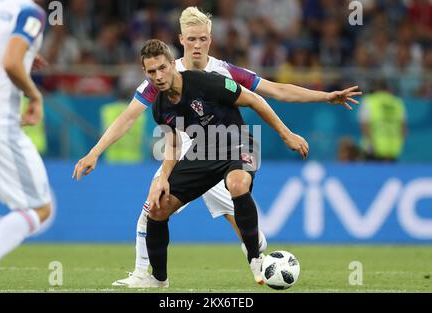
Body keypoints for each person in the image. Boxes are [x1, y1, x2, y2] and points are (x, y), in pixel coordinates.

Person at [73, 7, 361, 288]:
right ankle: (144, 275)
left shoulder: (222, 73)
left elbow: (275, 90)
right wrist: (96, 152)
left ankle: (256, 255)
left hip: (229, 147)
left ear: (210, 39)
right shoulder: (162, 75)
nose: (197, 45)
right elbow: (128, 117)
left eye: (202, 39)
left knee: (243, 212)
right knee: (153, 206)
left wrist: (325, 96)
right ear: (181, 39)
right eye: (191, 38)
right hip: (187, 155)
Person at [141, 39, 308, 287]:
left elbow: (255, 100)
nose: (158, 76)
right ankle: (158, 280)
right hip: (203, 154)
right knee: (157, 209)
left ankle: (254, 256)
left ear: (172, 65)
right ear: (145, 72)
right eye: (152, 71)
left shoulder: (205, 81)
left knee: (237, 183)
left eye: (162, 68)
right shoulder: (160, 107)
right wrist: (162, 178)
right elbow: (174, 145)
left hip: (237, 142)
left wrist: (286, 134)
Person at [0, 0, 51, 281]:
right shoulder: (29, 13)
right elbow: (10, 61)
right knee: (39, 208)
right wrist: (34, 94)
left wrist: (23, 58)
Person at [359, 79, 407, 162]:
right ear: (389, 89)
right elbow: (403, 128)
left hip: (373, 149)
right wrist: (399, 144)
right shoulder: (398, 102)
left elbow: (365, 125)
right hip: (393, 149)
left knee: (371, 174)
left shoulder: (369, 101)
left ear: (375, 89)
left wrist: (370, 144)